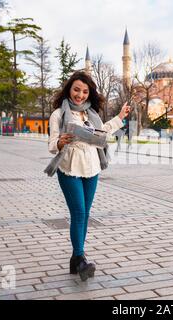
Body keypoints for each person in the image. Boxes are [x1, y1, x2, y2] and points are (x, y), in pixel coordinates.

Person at [47, 71, 130, 281]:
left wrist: (120, 117)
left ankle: (76, 260)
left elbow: (102, 132)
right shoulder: (58, 114)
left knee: (85, 214)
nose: (80, 95)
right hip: (69, 167)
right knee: (79, 212)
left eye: (85, 91)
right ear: (69, 90)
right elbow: (51, 144)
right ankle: (81, 258)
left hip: (91, 167)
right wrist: (60, 142)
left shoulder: (91, 114)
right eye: (76, 90)